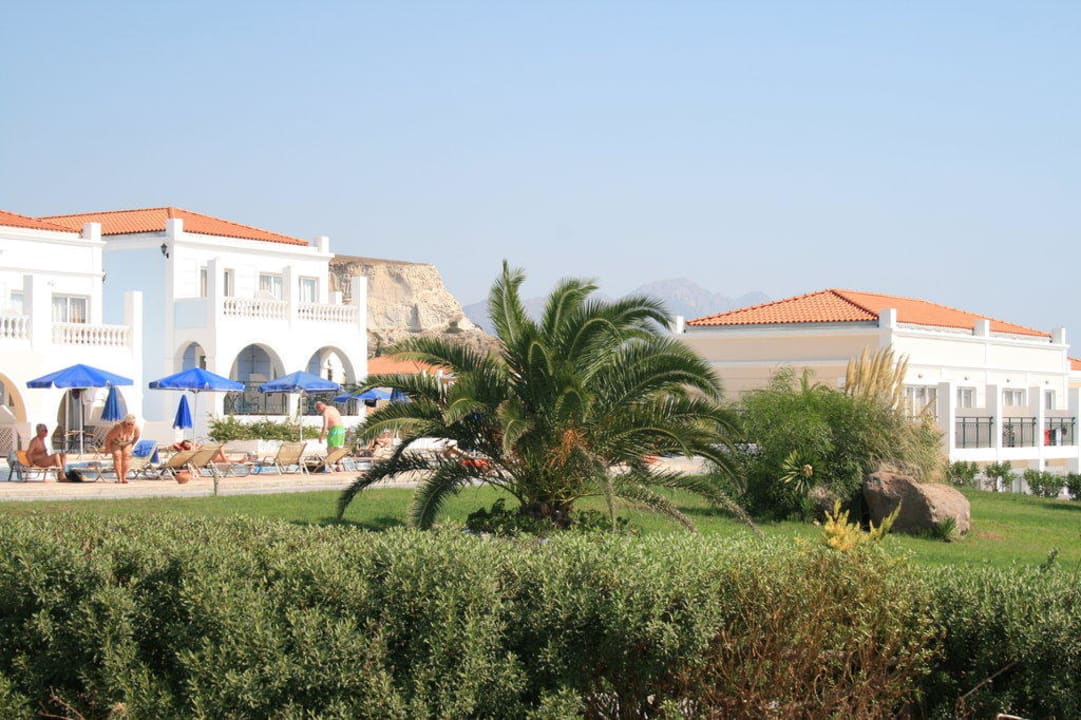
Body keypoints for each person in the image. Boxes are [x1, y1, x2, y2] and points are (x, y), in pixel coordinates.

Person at [104, 414, 140, 483]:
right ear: (125, 423)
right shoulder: (119, 427)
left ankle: (124, 477)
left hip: (127, 442)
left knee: (126, 455)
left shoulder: (136, 428)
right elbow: (108, 438)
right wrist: (107, 448)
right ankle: (119, 477)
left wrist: (131, 445)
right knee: (117, 455)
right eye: (128, 424)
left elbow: (136, 437)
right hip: (115, 442)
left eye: (132, 424)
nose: (130, 426)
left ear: (134, 423)